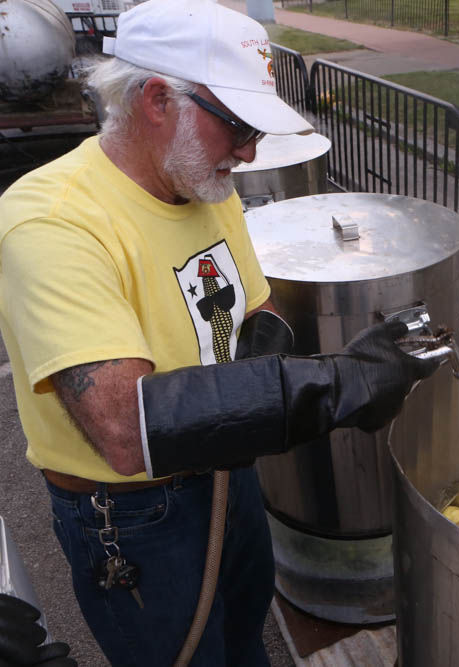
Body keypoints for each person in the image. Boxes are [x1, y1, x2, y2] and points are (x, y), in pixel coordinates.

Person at [0, 0, 436, 664]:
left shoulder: (206, 186)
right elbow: (127, 427)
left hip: (227, 475)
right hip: (138, 520)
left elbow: (258, 315)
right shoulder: (51, 222)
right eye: (236, 125)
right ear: (155, 100)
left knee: (244, 638)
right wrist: (333, 385)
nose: (251, 150)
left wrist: (281, 388)